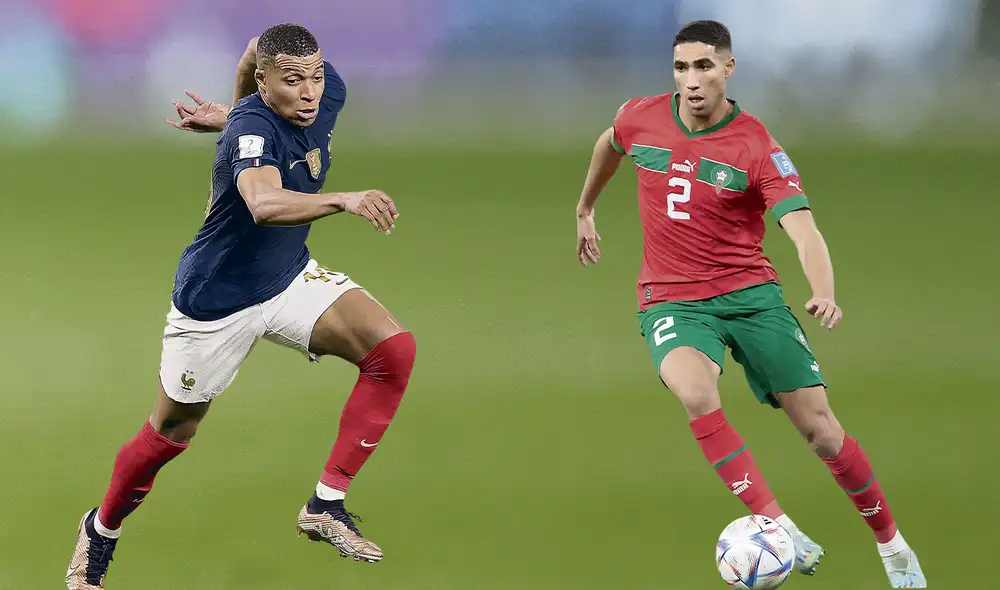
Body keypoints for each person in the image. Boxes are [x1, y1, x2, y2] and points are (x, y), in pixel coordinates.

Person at [573, 20, 925, 589]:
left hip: (751, 298)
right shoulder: (640, 115)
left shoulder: (757, 145)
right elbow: (608, 142)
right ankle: (778, 522)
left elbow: (803, 231)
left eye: (704, 67)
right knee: (694, 390)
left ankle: (893, 547)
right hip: (672, 298)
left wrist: (824, 290)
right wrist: (587, 207)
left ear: (728, 69)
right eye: (681, 68)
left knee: (822, 433)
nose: (691, 80)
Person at [66, 23, 416, 590]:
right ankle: (101, 530)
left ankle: (326, 504)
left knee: (393, 350)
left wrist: (229, 111)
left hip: (285, 277)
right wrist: (342, 197)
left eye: (316, 75)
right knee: (170, 435)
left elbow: (258, 41)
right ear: (264, 83)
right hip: (216, 300)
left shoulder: (322, 93)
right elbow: (262, 202)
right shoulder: (253, 127)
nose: (309, 92)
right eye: (293, 81)